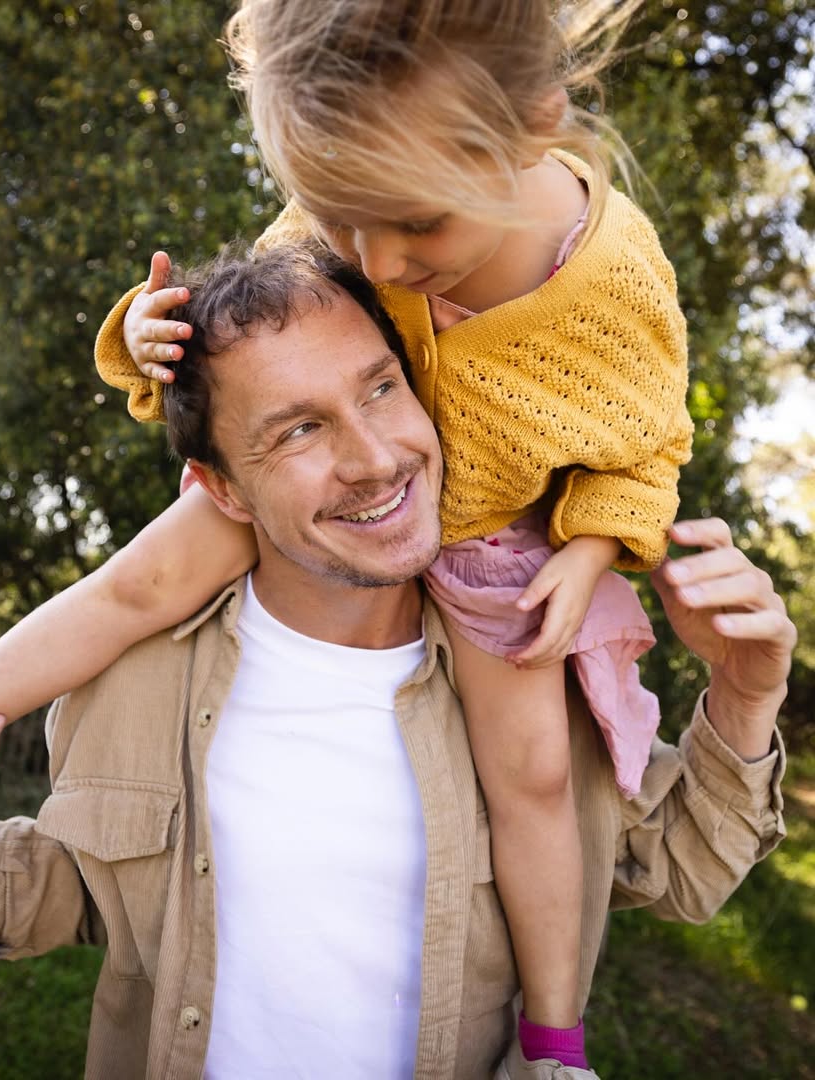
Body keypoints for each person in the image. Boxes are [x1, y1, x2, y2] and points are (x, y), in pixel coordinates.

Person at [0, 249, 791, 1080]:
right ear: (220, 489)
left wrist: (747, 697)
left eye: (379, 388)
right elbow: (79, 899)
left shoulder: (534, 669)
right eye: (299, 428)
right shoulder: (130, 675)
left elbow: (682, 876)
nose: (375, 458)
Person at [97, 0, 692, 1068]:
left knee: (536, 777)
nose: (371, 258)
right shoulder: (353, 209)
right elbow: (243, 327)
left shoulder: (611, 277)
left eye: (415, 224)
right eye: (335, 216)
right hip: (321, 500)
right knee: (132, 584)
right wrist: (149, 335)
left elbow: (650, 442)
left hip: (489, 546)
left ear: (533, 127)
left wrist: (595, 550)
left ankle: (554, 1041)